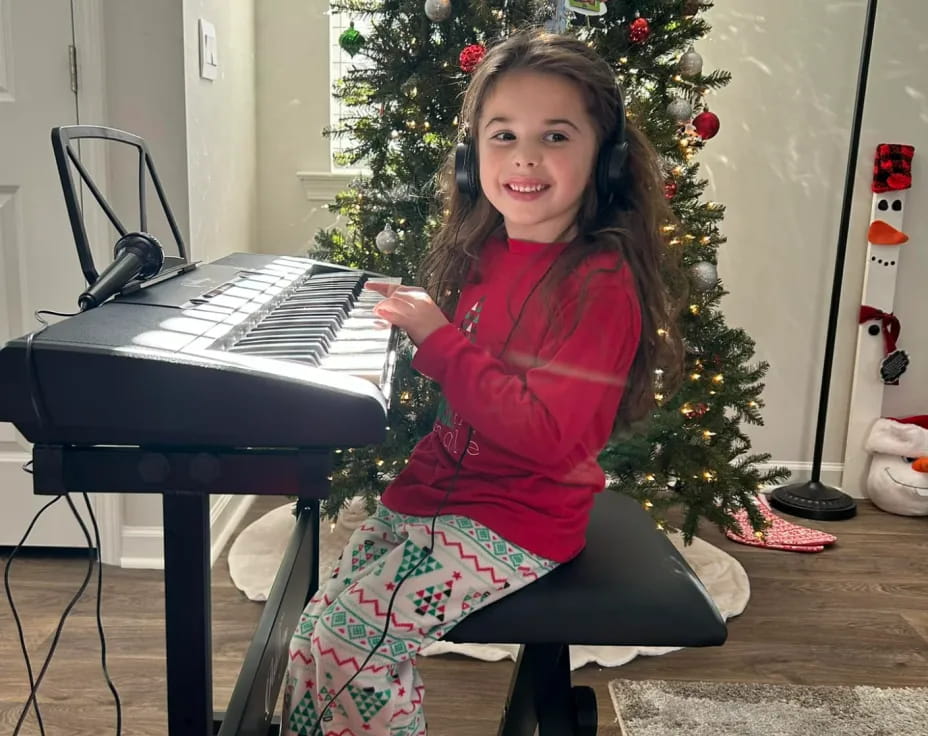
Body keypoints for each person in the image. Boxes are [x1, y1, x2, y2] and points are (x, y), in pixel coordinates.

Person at [283, 28, 686, 736]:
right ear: (474, 158)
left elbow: (552, 440)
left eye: (556, 136)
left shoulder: (600, 285)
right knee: (317, 624)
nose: (525, 157)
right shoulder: (489, 248)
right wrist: (406, 324)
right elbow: (475, 369)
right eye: (502, 135)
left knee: (347, 645)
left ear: (606, 159)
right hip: (446, 491)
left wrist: (436, 339)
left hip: (519, 518)